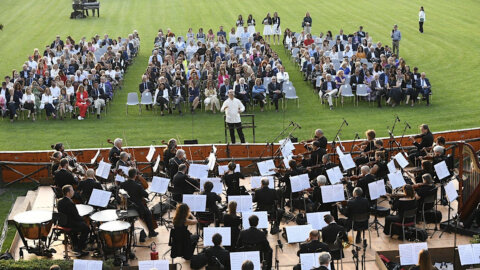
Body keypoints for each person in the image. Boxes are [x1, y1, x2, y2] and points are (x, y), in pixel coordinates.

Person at [120, 168, 158, 237]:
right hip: (137, 207)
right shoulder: (138, 186)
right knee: (148, 213)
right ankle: (151, 232)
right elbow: (146, 195)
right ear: (135, 176)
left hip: (127, 206)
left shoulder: (123, 184)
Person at [57, 185, 89, 257]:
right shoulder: (70, 203)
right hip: (70, 224)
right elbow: (76, 216)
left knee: (82, 224)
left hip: (63, 223)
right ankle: (79, 248)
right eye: (72, 190)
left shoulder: (59, 201)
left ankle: (76, 244)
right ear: (68, 193)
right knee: (86, 228)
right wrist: (83, 219)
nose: (73, 192)